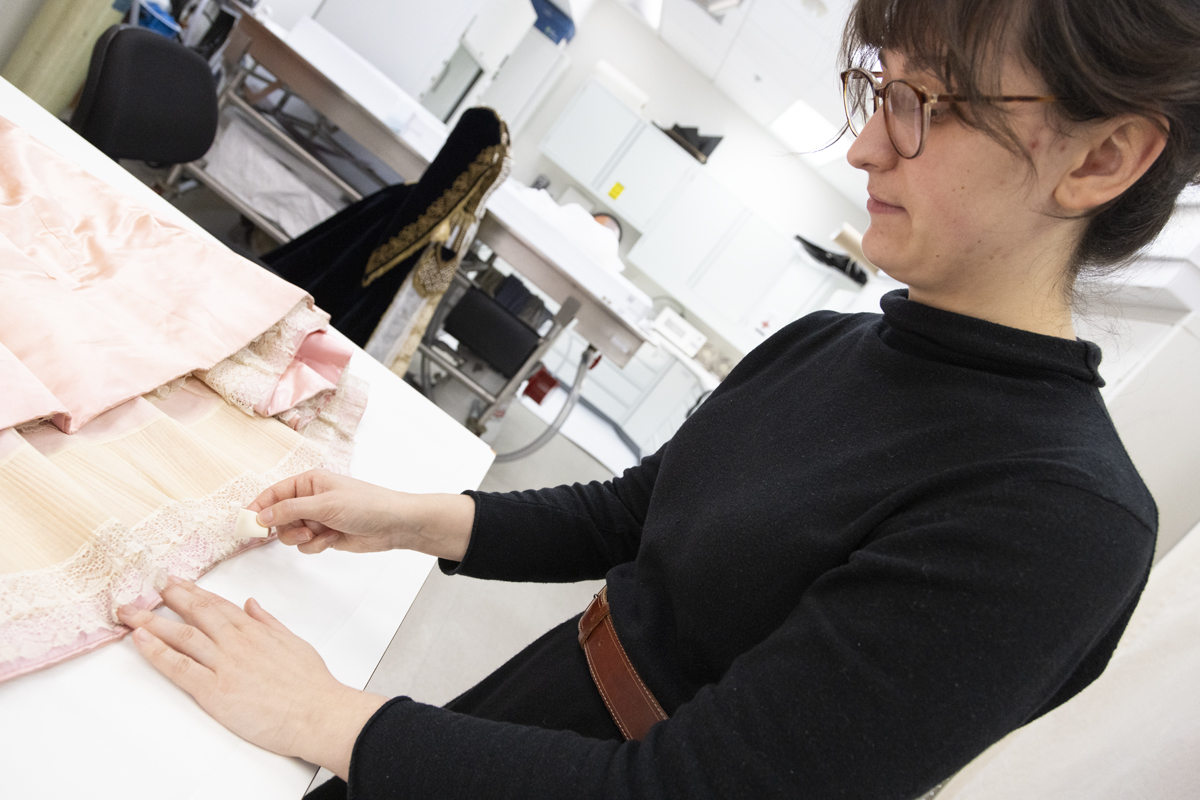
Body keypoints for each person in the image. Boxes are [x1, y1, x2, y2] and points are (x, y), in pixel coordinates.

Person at [117, 0, 1200, 797]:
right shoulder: (832, 341)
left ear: (1102, 156)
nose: (868, 143)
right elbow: (638, 513)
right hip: (531, 725)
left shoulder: (1057, 516)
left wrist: (329, 713)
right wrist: (402, 515)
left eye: (928, 107)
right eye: (880, 89)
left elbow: (695, 790)